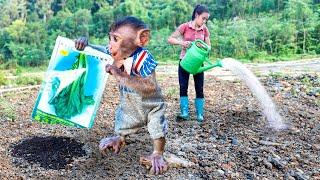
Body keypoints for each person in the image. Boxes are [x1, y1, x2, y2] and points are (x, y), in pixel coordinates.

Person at [75, 16, 168, 175]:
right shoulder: (115, 53)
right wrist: (85, 44)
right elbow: (99, 51)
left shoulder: (144, 58)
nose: (110, 44)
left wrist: (121, 75)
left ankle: (158, 153)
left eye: (115, 39)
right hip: (129, 99)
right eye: (110, 38)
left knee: (157, 126)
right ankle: (120, 138)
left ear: (141, 39)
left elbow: (150, 87)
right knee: (123, 118)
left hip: (151, 102)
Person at [168, 4, 211, 123]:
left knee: (199, 88)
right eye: (203, 18)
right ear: (197, 15)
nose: (204, 21)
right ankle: (184, 112)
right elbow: (170, 39)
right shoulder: (185, 27)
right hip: (184, 61)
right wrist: (183, 43)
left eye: (206, 19)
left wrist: (205, 49)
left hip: (198, 63)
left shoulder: (205, 30)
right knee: (183, 86)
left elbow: (209, 46)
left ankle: (199, 114)